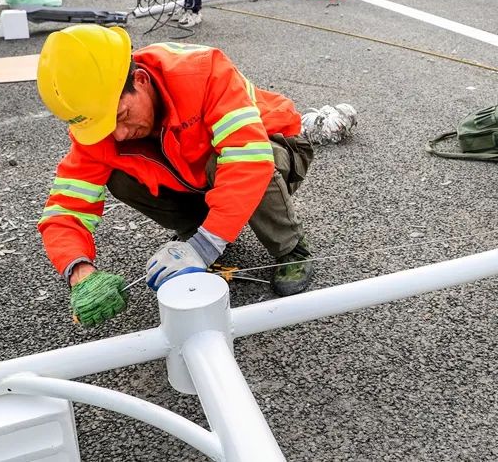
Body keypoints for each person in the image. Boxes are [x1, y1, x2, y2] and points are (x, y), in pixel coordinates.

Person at [36, 25, 316, 327]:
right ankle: (201, 230)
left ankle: (291, 248)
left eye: (121, 116)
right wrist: (80, 271)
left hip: (274, 151)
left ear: (140, 80)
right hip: (193, 179)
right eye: (105, 126)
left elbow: (249, 160)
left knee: (230, 162)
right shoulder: (98, 128)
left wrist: (203, 249)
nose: (119, 133)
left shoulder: (201, 70)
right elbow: (65, 210)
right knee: (120, 177)